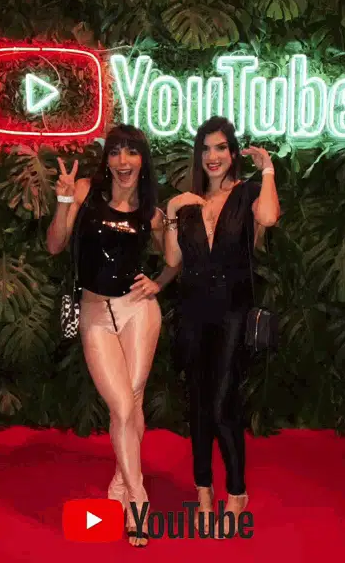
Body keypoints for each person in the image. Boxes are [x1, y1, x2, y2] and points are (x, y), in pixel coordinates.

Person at [47, 124, 179, 547]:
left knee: (132, 403)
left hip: (139, 310)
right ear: (107, 159)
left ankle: (123, 487)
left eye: (131, 152)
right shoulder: (86, 192)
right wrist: (63, 200)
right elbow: (55, 245)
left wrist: (159, 281)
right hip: (95, 313)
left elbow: (173, 259)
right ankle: (136, 493)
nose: (123, 161)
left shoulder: (151, 212)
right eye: (116, 152)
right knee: (122, 405)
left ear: (142, 160)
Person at [164, 116, 280, 536]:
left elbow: (269, 216)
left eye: (220, 148)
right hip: (193, 311)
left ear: (232, 153)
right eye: (206, 149)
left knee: (222, 401)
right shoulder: (188, 202)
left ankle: (236, 491)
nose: (212, 156)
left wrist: (267, 171)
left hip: (233, 312)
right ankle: (203, 490)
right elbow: (173, 260)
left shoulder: (246, 193)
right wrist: (172, 213)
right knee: (198, 402)